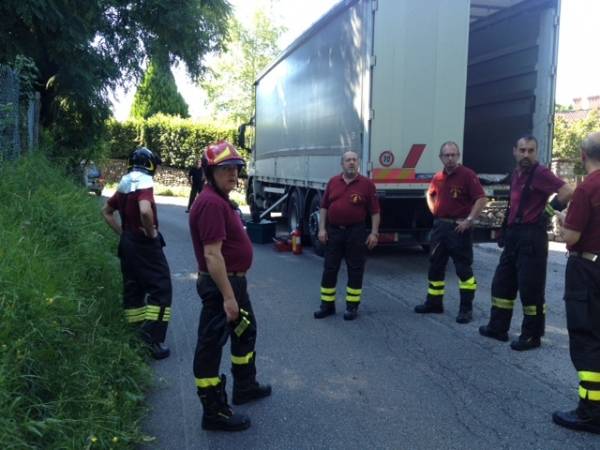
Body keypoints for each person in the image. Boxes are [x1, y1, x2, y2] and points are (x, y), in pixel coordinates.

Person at [189, 140, 271, 432]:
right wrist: (227, 297)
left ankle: (245, 386)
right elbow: (212, 255)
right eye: (225, 170)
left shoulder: (220, 199)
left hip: (235, 282)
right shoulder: (211, 203)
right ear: (210, 172)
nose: (233, 175)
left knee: (245, 332)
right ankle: (213, 412)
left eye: (235, 169)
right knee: (211, 346)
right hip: (221, 286)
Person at [479, 135, 573, 351]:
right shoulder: (517, 173)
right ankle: (498, 327)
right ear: (515, 151)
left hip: (532, 236)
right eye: (522, 150)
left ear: (536, 153)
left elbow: (568, 191)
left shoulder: (540, 173)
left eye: (531, 151)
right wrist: (505, 229)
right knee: (502, 283)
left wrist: (548, 212)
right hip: (515, 235)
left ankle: (532, 336)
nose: (526, 155)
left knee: (531, 289)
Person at [101, 147, 172, 360]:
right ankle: (152, 342)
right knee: (161, 289)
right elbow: (144, 210)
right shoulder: (144, 183)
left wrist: (123, 233)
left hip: (128, 243)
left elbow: (105, 211)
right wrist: (151, 233)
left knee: (134, 288)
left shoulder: (124, 184)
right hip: (144, 245)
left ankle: (135, 337)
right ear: (150, 165)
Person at [552, 132, 600, 434]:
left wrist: (562, 220)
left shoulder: (587, 189)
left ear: (582, 156)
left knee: (586, 338)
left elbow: (571, 237)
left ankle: (590, 412)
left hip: (587, 269)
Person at [414, 141, 487, 323]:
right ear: (441, 157)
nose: (450, 158)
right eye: (446, 155)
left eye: (453, 154)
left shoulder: (467, 175)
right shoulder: (438, 177)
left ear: (458, 156)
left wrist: (469, 220)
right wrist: (435, 211)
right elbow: (429, 194)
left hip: (458, 228)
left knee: (463, 270)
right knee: (436, 266)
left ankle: (466, 310)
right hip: (440, 227)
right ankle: (434, 303)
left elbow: (481, 199)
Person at [313, 151, 380, 321]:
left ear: (358, 163)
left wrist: (374, 233)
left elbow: (375, 211)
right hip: (334, 231)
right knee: (329, 269)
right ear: (342, 164)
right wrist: (322, 229)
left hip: (356, 232)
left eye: (354, 160)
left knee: (355, 270)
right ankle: (327, 305)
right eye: (348, 160)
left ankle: (352, 307)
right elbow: (324, 207)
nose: (351, 162)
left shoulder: (366, 184)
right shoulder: (333, 182)